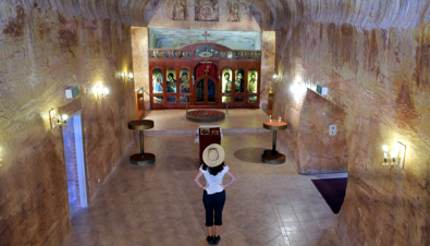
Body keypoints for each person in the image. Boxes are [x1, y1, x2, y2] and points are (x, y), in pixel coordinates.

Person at [194, 144, 236, 245]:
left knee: (208, 214)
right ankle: (216, 237)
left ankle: (209, 237)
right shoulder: (224, 168)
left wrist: (203, 187)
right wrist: (225, 185)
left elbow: (196, 179)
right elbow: (233, 178)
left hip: (208, 195)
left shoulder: (204, 168)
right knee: (218, 214)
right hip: (220, 195)